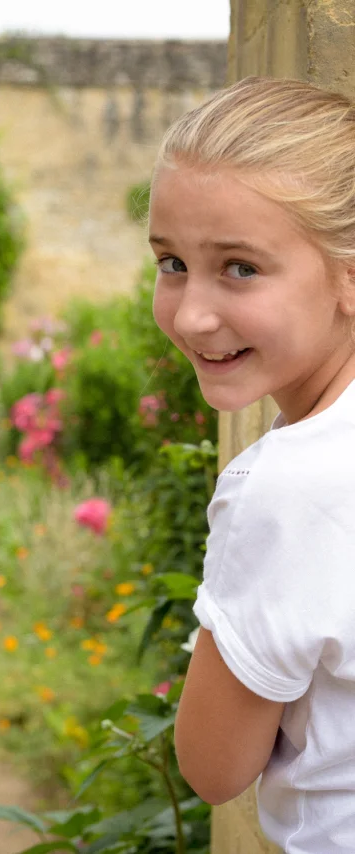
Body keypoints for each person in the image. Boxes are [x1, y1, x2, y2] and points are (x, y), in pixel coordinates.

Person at [149, 76, 355, 852]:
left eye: (240, 268)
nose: (192, 312)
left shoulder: (288, 485)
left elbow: (214, 766)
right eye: (171, 262)